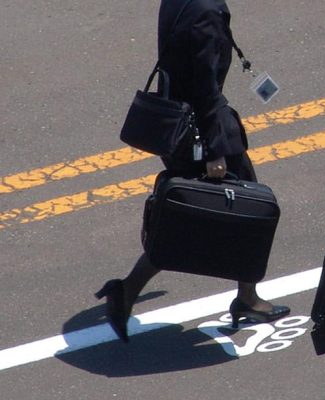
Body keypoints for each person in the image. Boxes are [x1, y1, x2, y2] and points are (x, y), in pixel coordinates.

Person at [95, 0, 289, 343]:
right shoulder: (206, 13)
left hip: (179, 122)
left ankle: (243, 294)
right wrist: (216, 150)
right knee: (241, 212)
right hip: (203, 130)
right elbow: (205, 86)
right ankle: (129, 291)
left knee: (186, 216)